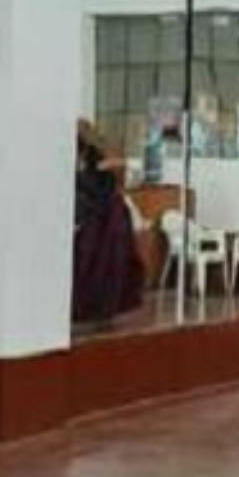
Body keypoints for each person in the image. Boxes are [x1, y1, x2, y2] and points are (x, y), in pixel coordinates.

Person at [72, 120, 144, 324]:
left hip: (100, 224)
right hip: (103, 221)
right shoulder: (99, 168)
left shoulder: (96, 168)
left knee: (97, 267)